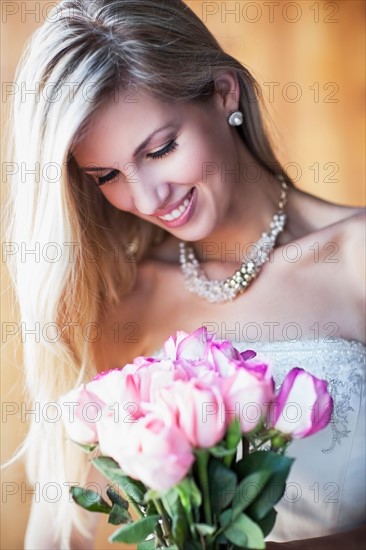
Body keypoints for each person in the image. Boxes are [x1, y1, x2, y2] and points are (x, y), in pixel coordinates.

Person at [5, 0, 365, 548]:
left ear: (224, 93)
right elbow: (63, 532)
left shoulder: (356, 257)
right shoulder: (123, 300)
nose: (147, 198)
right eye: (107, 176)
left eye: (161, 149)